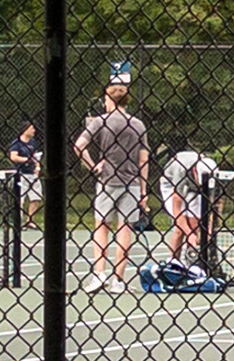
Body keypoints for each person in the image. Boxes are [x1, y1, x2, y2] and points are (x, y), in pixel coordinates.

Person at [73, 80, 149, 293]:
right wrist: (143, 190)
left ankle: (99, 274)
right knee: (125, 228)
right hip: (132, 183)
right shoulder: (138, 125)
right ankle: (118, 279)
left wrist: (93, 167)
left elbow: (79, 146)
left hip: (107, 181)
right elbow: (144, 159)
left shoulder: (100, 121)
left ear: (109, 99)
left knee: (101, 227)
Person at [160, 147, 220, 270]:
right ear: (195, 172)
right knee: (179, 229)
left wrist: (209, 228)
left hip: (193, 188)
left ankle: (191, 261)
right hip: (171, 186)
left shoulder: (213, 172)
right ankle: (173, 262)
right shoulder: (180, 169)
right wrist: (190, 234)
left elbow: (215, 204)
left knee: (195, 224)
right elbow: (177, 210)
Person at [8, 119, 43, 221]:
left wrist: (37, 166)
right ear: (25, 129)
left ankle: (30, 221)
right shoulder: (16, 143)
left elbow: (35, 156)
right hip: (21, 175)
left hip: (32, 174)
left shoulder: (33, 142)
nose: (34, 130)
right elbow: (13, 157)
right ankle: (19, 221)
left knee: (36, 198)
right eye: (32, 128)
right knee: (20, 200)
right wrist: (26, 160)